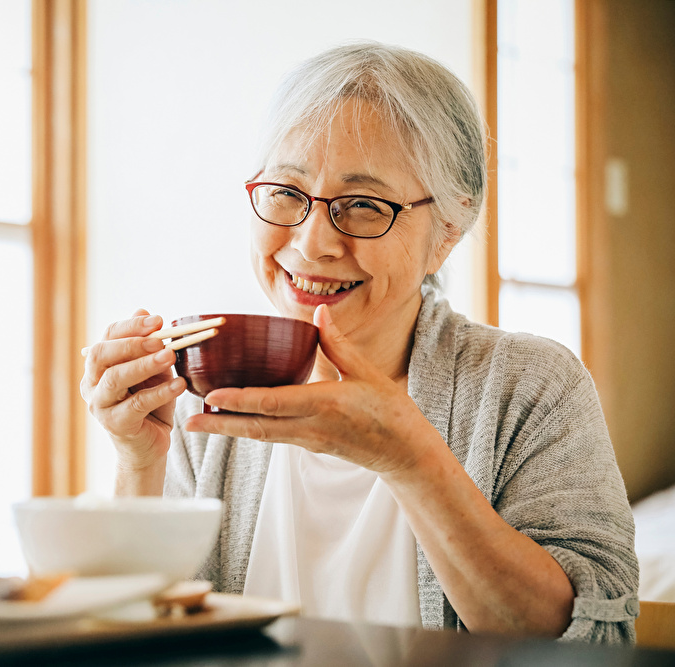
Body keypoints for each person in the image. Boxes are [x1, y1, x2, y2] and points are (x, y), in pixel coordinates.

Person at [79, 42, 638, 643]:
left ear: (447, 231)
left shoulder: (532, 387)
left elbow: (597, 642)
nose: (313, 241)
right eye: (287, 194)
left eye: (365, 205)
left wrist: (411, 460)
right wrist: (139, 461)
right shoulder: (206, 395)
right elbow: (139, 639)